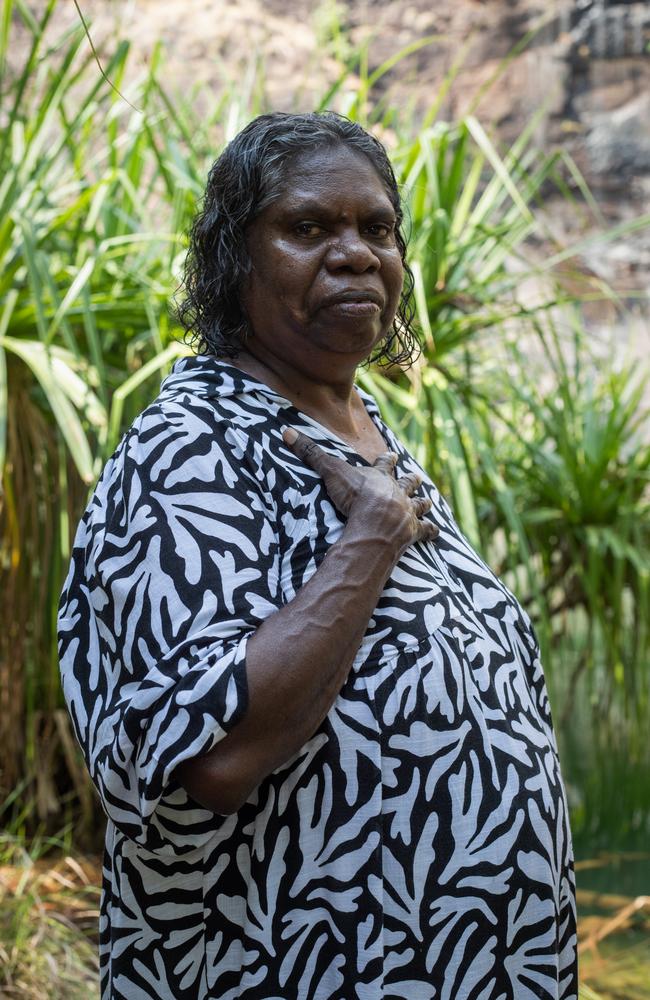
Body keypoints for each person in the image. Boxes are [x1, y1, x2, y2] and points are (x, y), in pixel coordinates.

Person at [58, 111, 577, 1000]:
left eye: (377, 228)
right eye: (307, 227)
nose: (355, 253)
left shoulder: (380, 444)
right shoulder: (189, 447)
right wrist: (368, 544)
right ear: (235, 259)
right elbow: (209, 762)